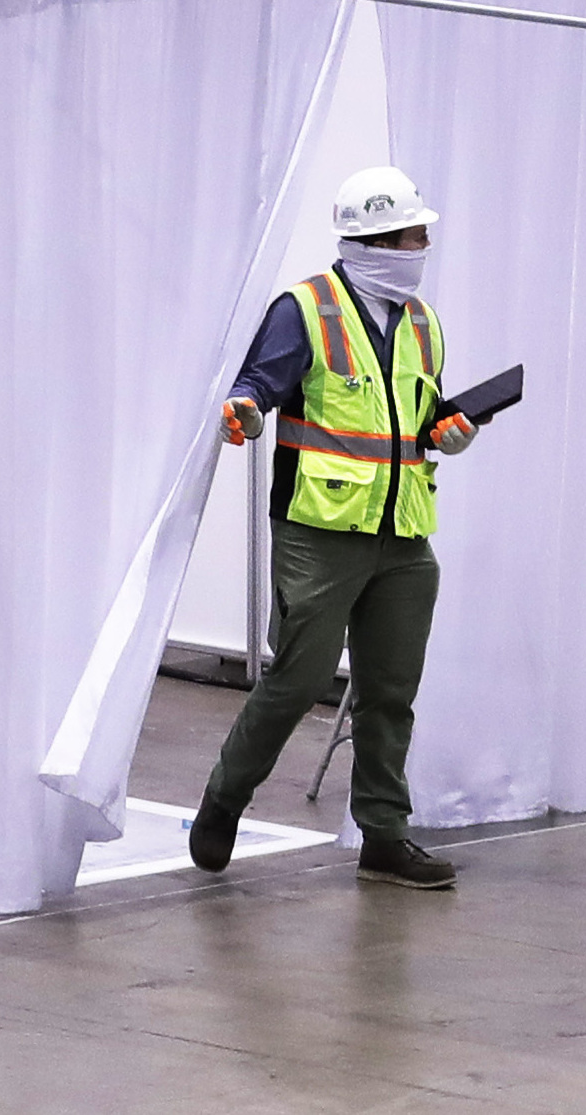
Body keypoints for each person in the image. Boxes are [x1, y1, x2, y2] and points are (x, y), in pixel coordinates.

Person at [188, 164, 478, 890]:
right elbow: (255, 387)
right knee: (298, 678)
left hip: (402, 533)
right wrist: (244, 413)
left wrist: (446, 429)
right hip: (319, 532)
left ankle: (384, 834)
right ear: (375, 242)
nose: (422, 248)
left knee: (391, 691)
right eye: (412, 237)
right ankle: (225, 797)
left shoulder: (421, 321)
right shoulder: (305, 309)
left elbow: (418, 414)